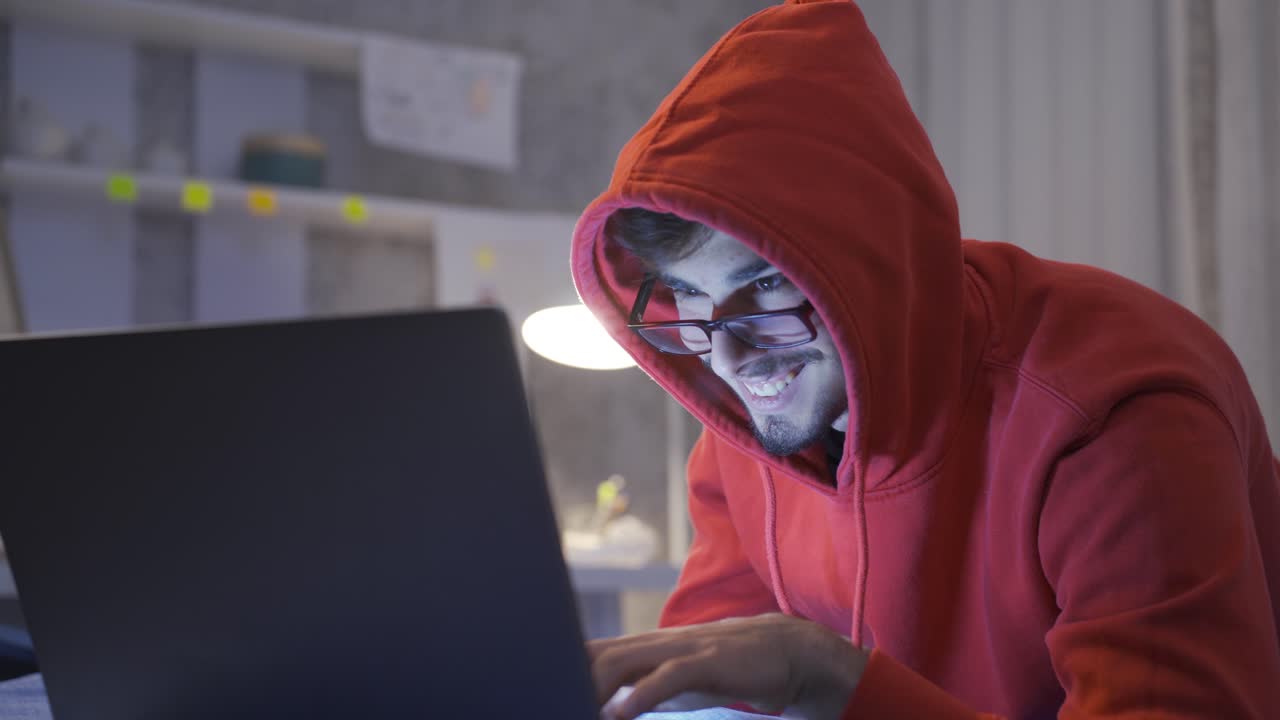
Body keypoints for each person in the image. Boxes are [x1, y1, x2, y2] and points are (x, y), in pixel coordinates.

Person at [568, 1, 1280, 718]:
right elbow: (705, 699)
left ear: (867, 263)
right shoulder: (750, 431)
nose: (728, 355)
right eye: (690, 297)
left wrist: (835, 682)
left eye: (764, 285)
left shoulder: (1110, 413)